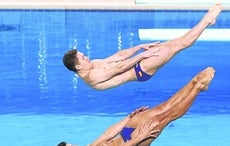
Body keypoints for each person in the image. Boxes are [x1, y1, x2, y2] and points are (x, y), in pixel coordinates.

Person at [51, 67, 215, 146]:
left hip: (125, 135)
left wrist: (127, 119)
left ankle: (194, 82)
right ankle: (198, 88)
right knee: (167, 116)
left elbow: (106, 136)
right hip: (134, 145)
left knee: (162, 107)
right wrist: (141, 136)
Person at [62, 4, 221, 90]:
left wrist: (140, 47)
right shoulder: (92, 77)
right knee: (178, 45)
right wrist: (141, 56)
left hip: (138, 64)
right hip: (140, 70)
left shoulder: (93, 64)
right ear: (78, 66)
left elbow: (119, 56)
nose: (87, 57)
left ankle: (206, 21)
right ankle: (207, 20)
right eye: (83, 58)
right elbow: (119, 69)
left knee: (174, 43)